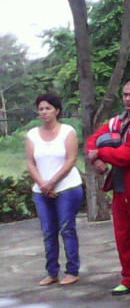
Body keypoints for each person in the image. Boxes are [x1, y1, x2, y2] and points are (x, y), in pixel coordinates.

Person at [85, 80, 130, 295]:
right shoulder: (116, 122)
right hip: (119, 188)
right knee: (123, 237)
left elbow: (128, 155)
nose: (127, 99)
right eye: (125, 95)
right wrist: (95, 159)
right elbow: (91, 142)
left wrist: (102, 153)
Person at [26, 93, 83, 286]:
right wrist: (43, 184)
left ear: (57, 110)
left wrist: (52, 183)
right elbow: (30, 162)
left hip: (67, 187)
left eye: (48, 108)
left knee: (67, 228)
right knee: (48, 231)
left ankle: (72, 270)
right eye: (41, 108)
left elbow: (71, 160)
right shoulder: (32, 134)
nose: (44, 112)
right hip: (41, 190)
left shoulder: (67, 131)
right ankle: (52, 272)